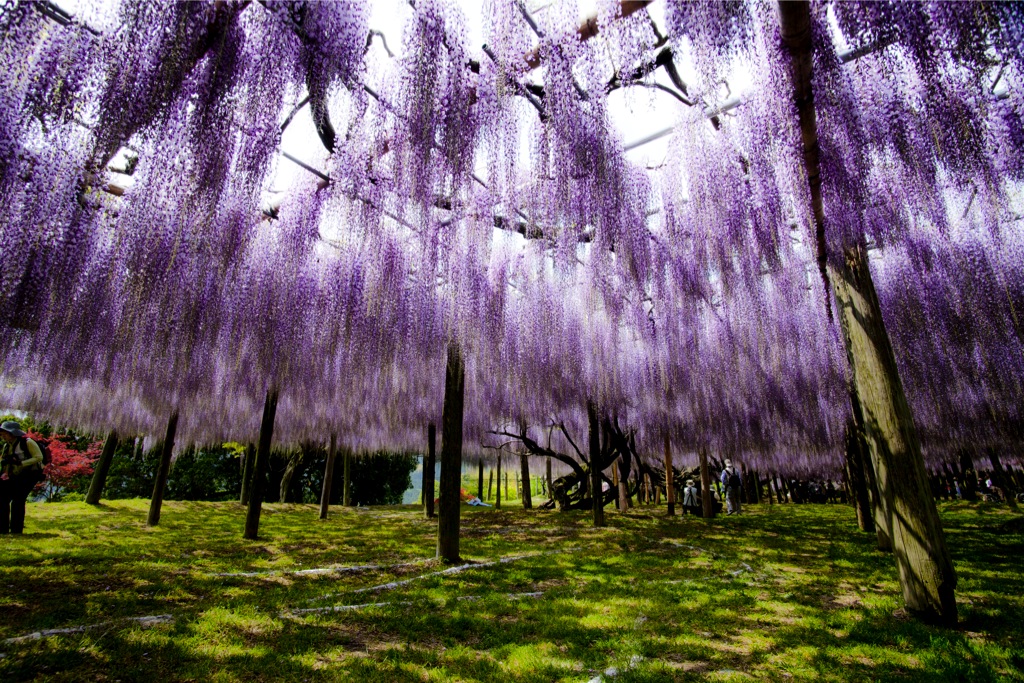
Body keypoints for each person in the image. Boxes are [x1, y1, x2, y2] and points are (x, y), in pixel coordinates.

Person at [0, 420, 44, 534]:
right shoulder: (7, 446)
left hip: (30, 475)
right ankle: (2, 529)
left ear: (12, 433)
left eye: (5, 433)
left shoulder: (28, 442)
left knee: (18, 500)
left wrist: (21, 463)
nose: (3, 435)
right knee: (3, 499)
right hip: (14, 475)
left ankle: (16, 530)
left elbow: (39, 457)